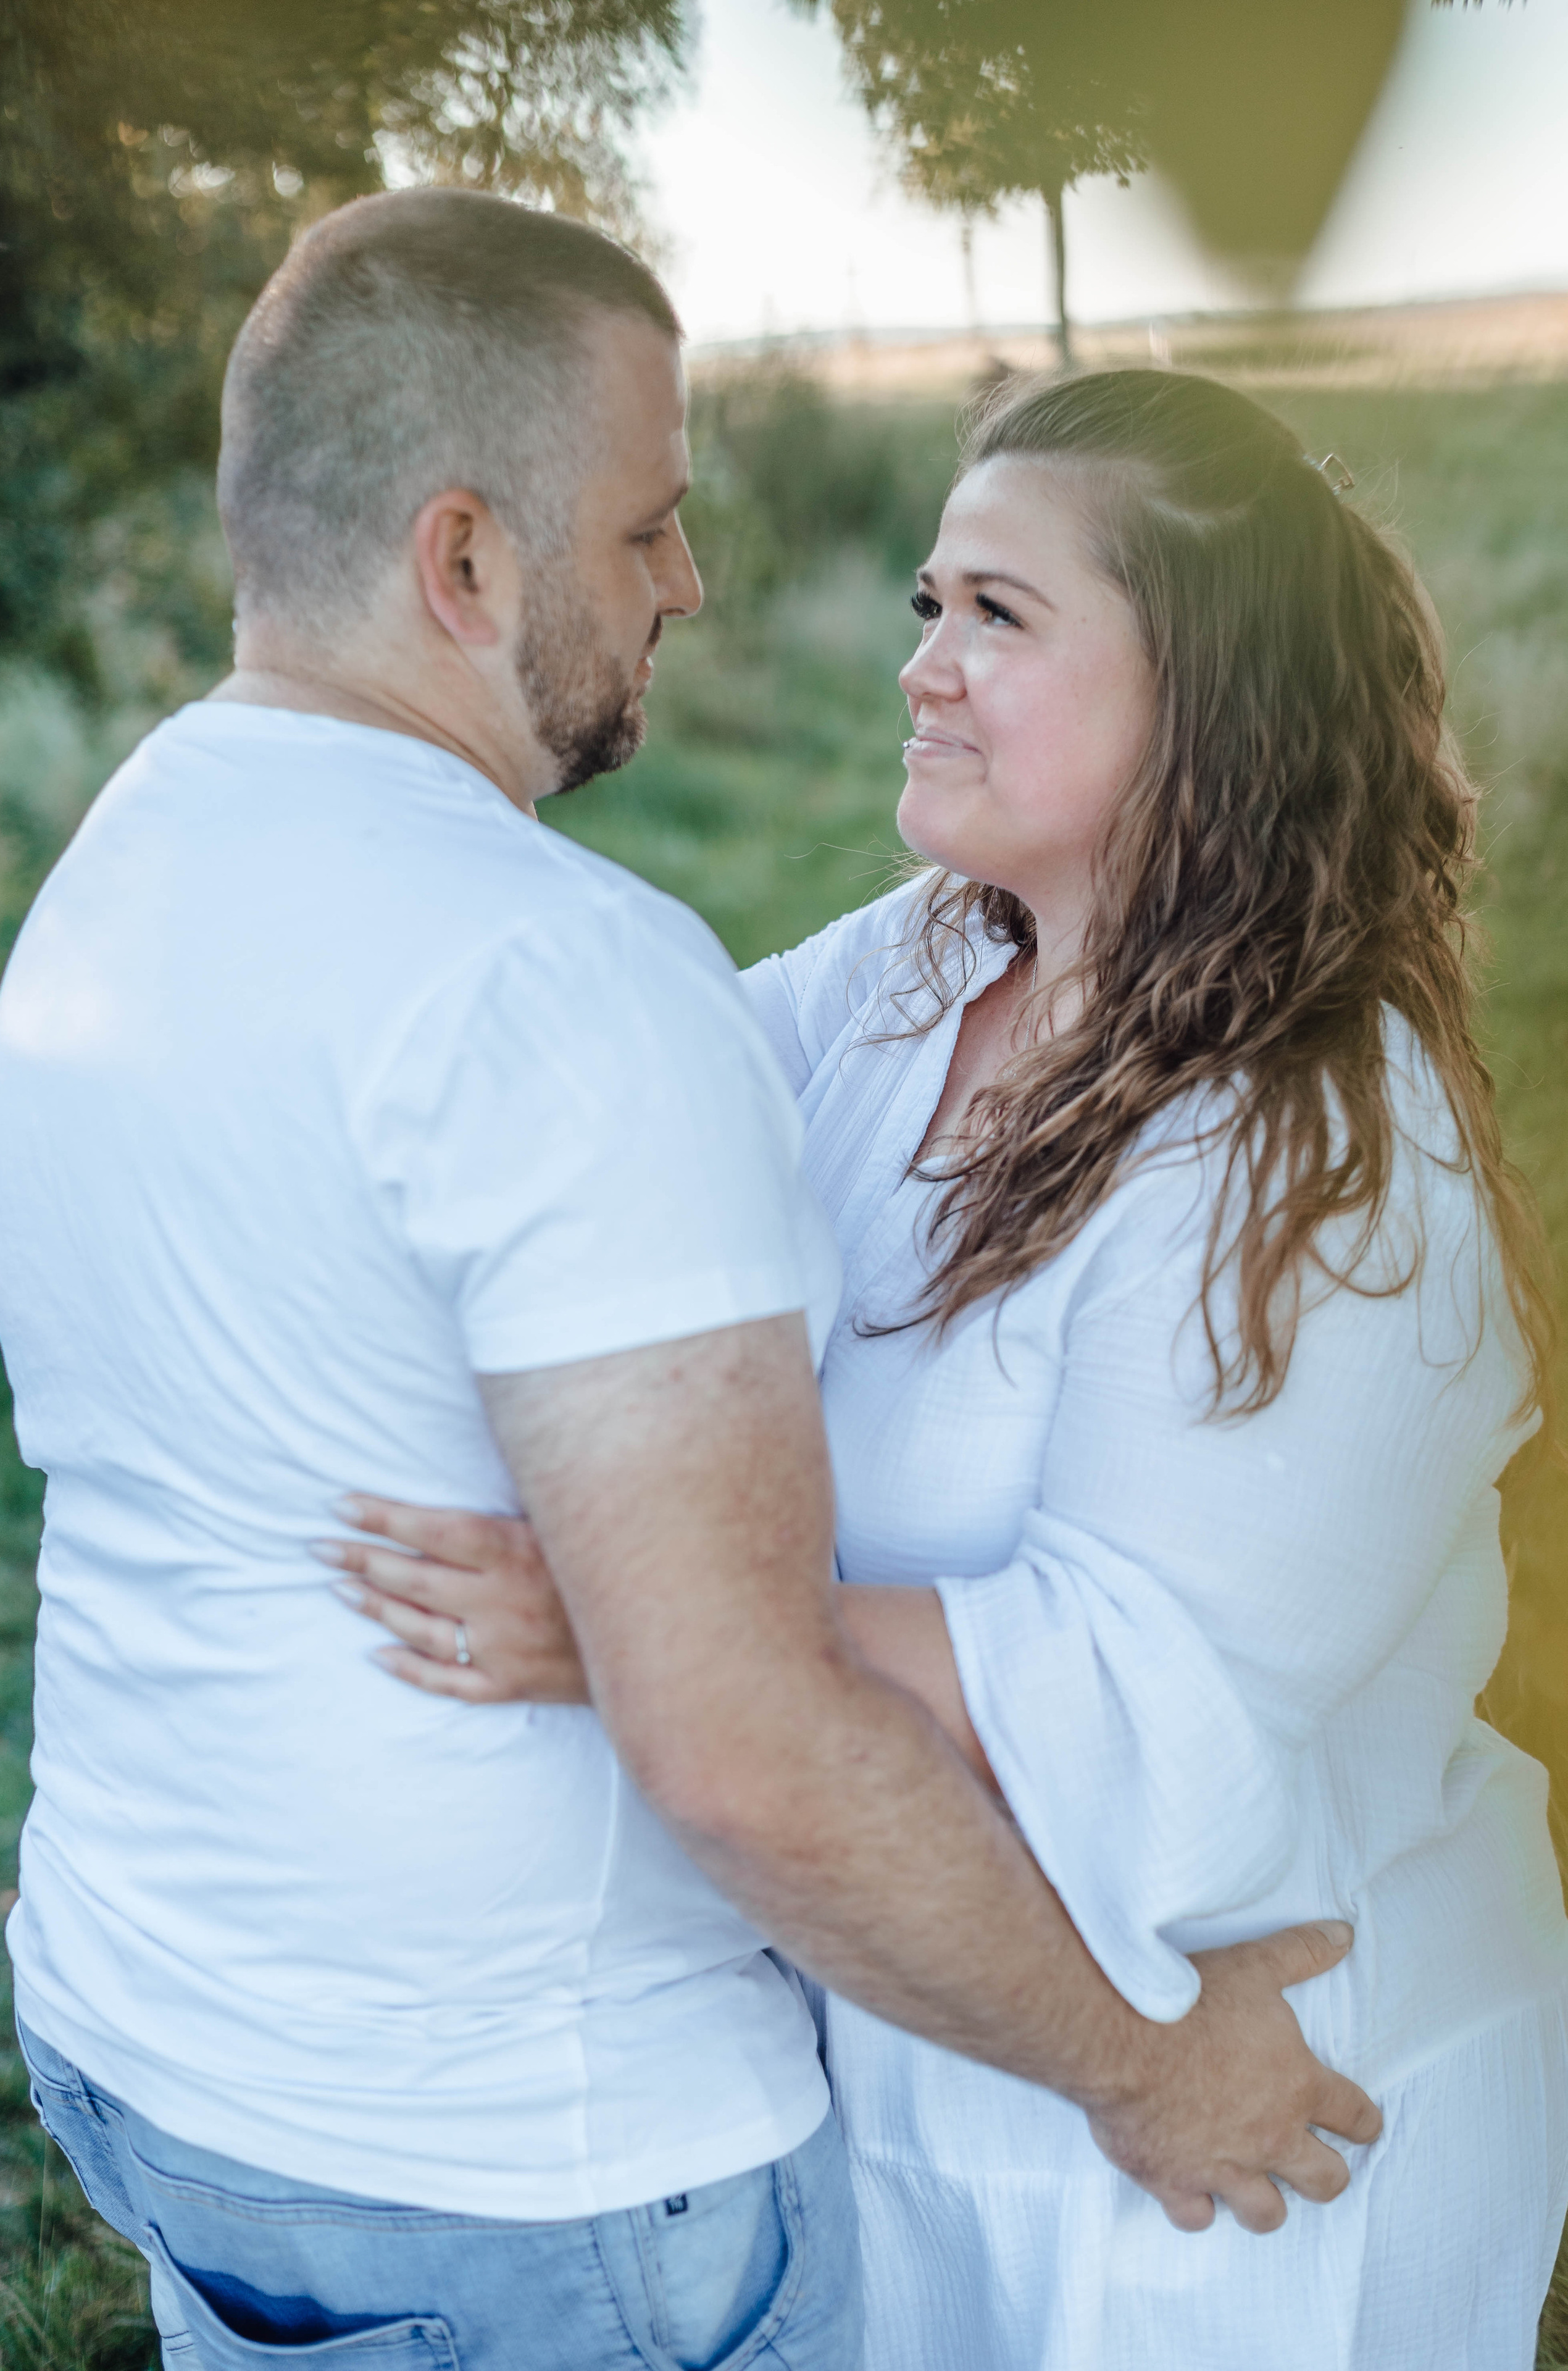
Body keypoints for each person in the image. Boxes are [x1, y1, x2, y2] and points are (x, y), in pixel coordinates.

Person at [0, 204, 1374, 2371]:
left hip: (158, 2041)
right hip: (520, 2169)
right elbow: (741, 1753)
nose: (691, 586)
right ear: (466, 563)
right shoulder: (561, 977)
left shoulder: (121, 868)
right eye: (646, 528)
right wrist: (1147, 2069)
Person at [337, 368, 1568, 2370]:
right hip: (951, 2041)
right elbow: (616, 1126)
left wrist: (628, 1622)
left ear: (1212, 686)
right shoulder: (925, 964)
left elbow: (1142, 1687)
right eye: (929, 603)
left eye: (1000, 614)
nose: (924, 665)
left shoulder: (1322, 1145)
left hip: (1252, 2110)